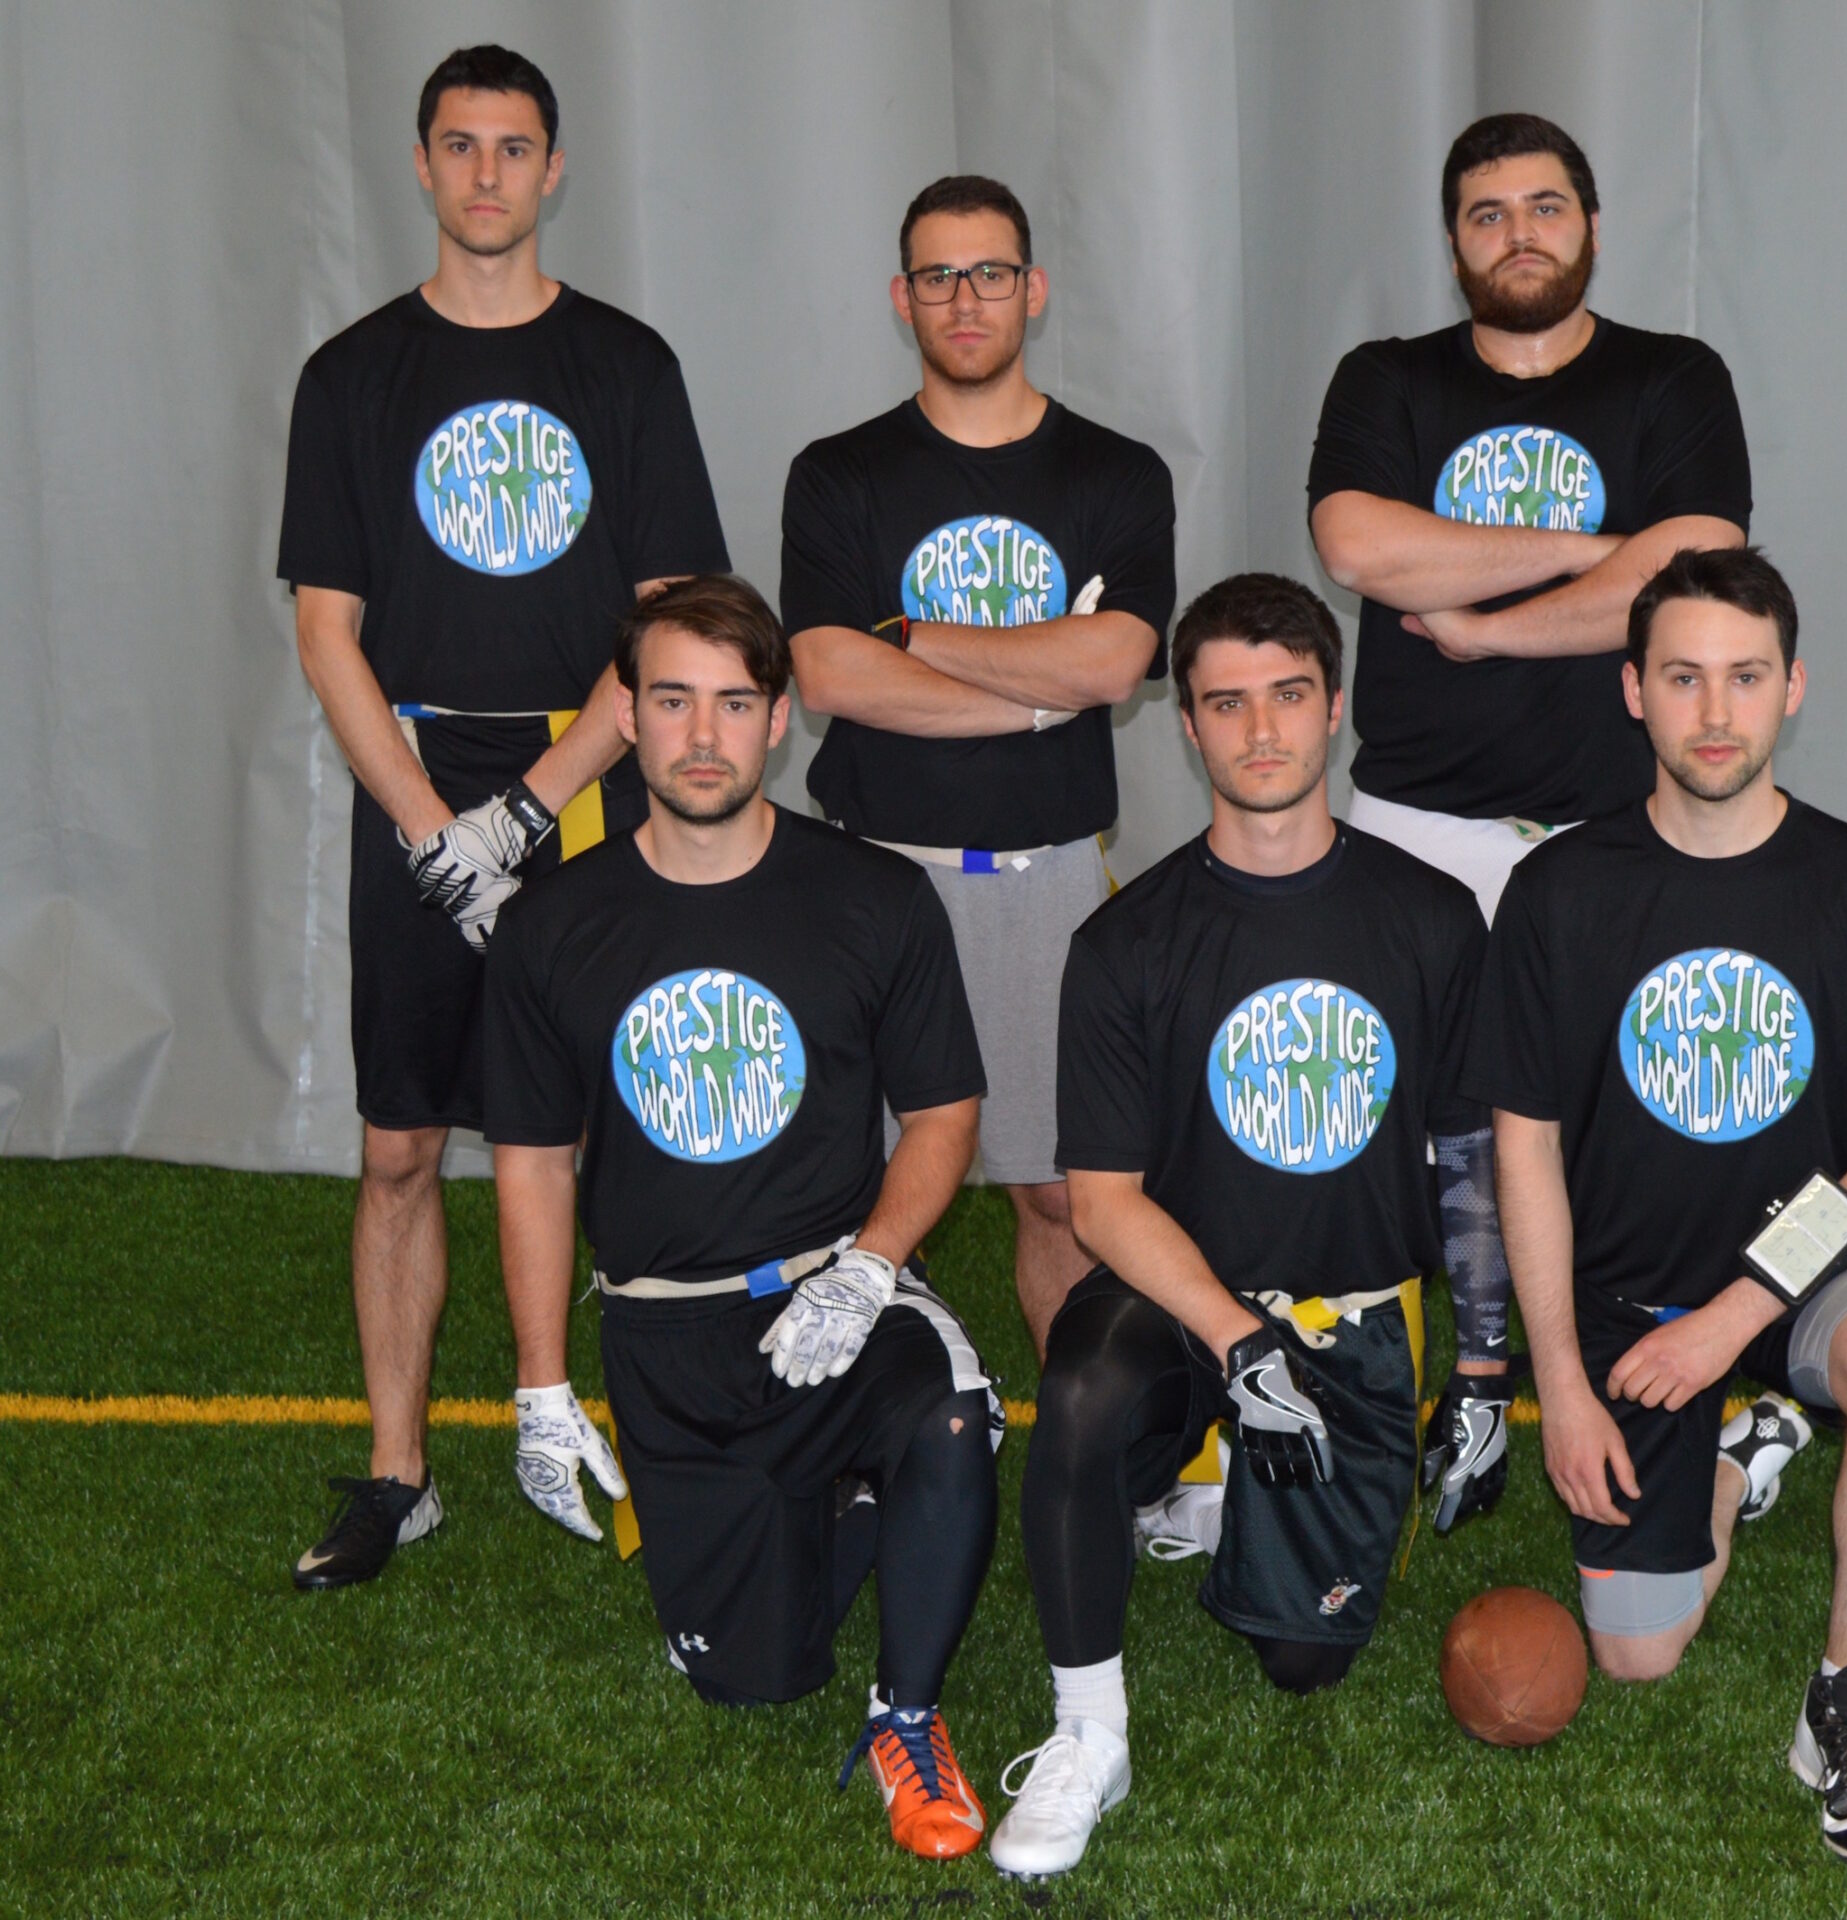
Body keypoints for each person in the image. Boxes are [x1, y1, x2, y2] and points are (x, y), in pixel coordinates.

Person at [275, 44, 729, 1588]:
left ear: (554, 168)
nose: (485, 173)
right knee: (402, 1143)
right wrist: (434, 834)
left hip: (589, 784)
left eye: (513, 147)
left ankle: (668, 1447)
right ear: (421, 165)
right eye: (459, 146)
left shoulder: (625, 366)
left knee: (627, 1134)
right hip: (413, 782)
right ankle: (400, 1472)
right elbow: (326, 632)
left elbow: (674, 627)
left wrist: (524, 817)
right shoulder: (351, 375)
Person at [986, 574, 1513, 1880]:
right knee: (1084, 1394)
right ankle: (1086, 1730)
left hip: (1350, 1312)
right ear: (1187, 725)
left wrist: (1483, 1363)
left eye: (1287, 697)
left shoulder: (1431, 917)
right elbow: (1102, 1202)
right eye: (1227, 704)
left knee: (1302, 1662)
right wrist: (1236, 1342)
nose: (1260, 731)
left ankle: (1232, 1501)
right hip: (1184, 1300)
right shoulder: (1128, 940)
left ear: (1334, 708)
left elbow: (1471, 1156)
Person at [482, 575, 1001, 1860]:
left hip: (834, 1296)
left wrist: (874, 1265)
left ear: (780, 719)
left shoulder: (875, 896)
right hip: (669, 1341)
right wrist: (541, 1384)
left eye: (733, 703)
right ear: (627, 717)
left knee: (949, 1411)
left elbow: (944, 1114)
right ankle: (841, 1509)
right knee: (753, 1679)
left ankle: (908, 1717)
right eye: (672, 702)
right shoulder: (552, 924)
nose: (703, 735)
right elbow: (534, 1165)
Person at [1468, 548, 1847, 1875]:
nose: (1716, 712)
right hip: (1629, 1306)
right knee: (1637, 1654)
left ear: (1793, 687)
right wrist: (1561, 1384)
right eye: (1682, 678)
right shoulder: (1561, 891)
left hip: (1799, 1289)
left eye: (1746, 678)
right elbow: (1525, 1152)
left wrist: (1738, 1312)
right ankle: (1741, 1458)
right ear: (1633, 690)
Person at [782, 174, 1177, 1360]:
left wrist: (911, 635)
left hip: (1045, 880)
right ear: (901, 297)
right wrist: (1041, 694)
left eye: (991, 273)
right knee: (853, 1188)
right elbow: (828, 676)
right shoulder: (840, 473)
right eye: (939, 276)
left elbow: (1116, 662)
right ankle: (861, 1435)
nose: (966, 299)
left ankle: (1079, 1437)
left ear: (1033, 290)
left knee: (1057, 1192)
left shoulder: (1115, 473)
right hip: (872, 877)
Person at [1307, 111, 1752, 921]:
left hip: (1625, 821)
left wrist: (1483, 632)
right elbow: (1355, 549)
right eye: (1489, 215)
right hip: (1415, 823)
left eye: (1546, 207)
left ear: (1593, 230)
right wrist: (1594, 550)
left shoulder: (1674, 376)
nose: (1520, 234)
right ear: (1454, 249)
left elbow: (1695, 578)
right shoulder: (1387, 378)